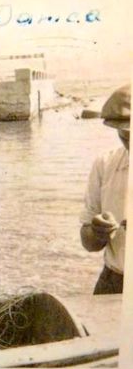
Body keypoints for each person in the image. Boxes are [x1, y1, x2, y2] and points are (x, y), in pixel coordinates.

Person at [80, 84, 130, 294]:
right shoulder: (105, 164)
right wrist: (97, 232)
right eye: (124, 135)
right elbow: (88, 243)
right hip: (114, 279)